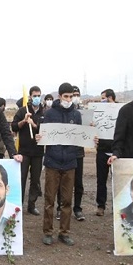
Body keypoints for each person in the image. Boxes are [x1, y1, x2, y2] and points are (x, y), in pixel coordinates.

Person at [37, 82, 81, 246]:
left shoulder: (76, 115)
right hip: (52, 162)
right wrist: (39, 137)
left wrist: (92, 138)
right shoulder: (50, 114)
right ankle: (48, 232)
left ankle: (64, 232)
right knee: (49, 200)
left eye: (71, 96)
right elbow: (42, 133)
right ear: (60, 96)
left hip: (70, 163)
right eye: (66, 96)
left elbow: (80, 137)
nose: (69, 99)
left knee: (67, 201)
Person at [11, 86, 45, 215]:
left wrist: (34, 125)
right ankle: (18, 204)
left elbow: (46, 131)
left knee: (35, 180)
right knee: (21, 178)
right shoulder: (22, 110)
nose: (37, 98)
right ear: (30, 96)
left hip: (38, 152)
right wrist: (24, 121)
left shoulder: (45, 112)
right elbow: (14, 127)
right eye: (34, 95)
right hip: (24, 152)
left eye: (39, 95)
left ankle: (32, 205)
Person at [56, 85, 86, 221]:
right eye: (68, 95)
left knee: (78, 183)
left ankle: (78, 208)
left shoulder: (80, 113)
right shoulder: (58, 113)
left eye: (74, 95)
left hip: (78, 153)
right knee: (62, 184)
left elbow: (85, 134)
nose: (71, 98)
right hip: (63, 153)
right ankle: (59, 208)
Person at [95, 88, 117, 216]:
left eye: (103, 98)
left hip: (116, 152)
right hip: (102, 151)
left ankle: (118, 206)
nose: (102, 101)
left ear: (110, 98)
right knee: (101, 180)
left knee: (118, 180)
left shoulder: (121, 111)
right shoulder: (99, 112)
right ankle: (101, 206)